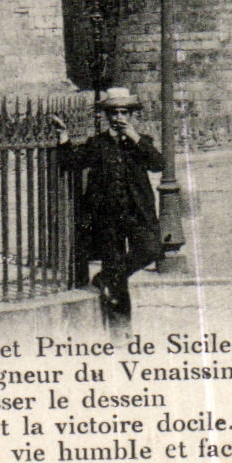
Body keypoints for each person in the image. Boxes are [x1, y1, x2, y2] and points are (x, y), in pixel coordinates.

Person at [52, 87, 163, 322]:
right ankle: (121, 331)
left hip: (136, 213)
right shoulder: (98, 143)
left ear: (132, 115)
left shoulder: (142, 142)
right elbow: (72, 162)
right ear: (107, 116)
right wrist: (63, 137)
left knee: (151, 248)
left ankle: (106, 278)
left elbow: (158, 164)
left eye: (124, 112)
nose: (119, 118)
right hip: (107, 216)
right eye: (114, 113)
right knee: (117, 277)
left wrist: (135, 137)